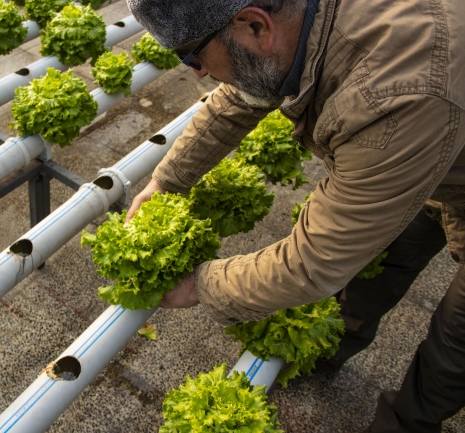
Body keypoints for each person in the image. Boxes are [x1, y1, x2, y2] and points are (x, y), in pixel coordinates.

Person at [125, 0, 465, 432]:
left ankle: (407, 422)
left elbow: (317, 260)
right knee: (382, 263)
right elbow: (242, 93)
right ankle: (322, 354)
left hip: (440, 128)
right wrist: (166, 181)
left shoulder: (394, 92)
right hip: (435, 142)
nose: (198, 72)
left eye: (193, 56)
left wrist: (198, 286)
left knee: (456, 340)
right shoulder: (298, 24)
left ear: (254, 25)